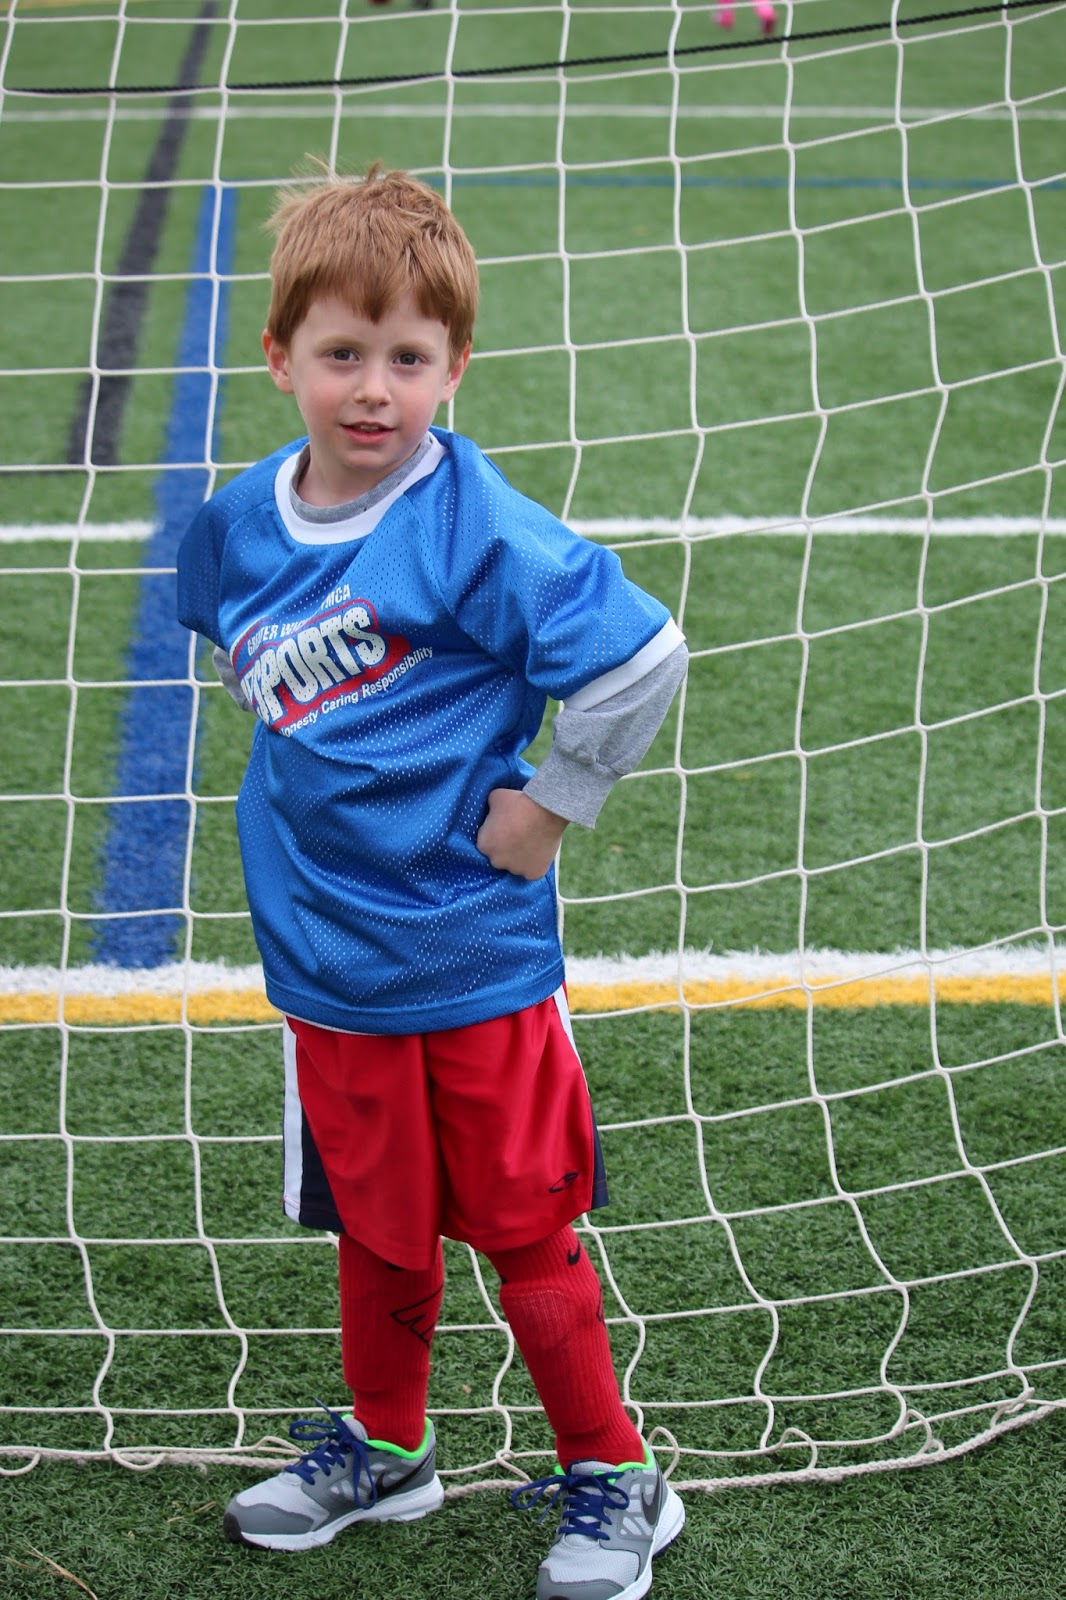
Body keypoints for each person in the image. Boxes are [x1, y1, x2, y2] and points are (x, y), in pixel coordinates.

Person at [176, 162, 689, 1600]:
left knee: (522, 1221)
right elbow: (258, 679)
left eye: (408, 358)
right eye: (342, 352)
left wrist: (551, 804)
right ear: (280, 357)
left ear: (454, 367)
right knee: (377, 1222)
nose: (373, 390)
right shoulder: (234, 527)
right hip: (328, 956)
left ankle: (615, 1474)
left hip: (470, 950)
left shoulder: (474, 522)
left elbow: (642, 657)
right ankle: (390, 1447)